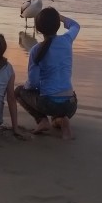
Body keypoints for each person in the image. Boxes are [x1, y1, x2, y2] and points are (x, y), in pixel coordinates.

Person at [15, 7, 79, 140]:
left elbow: (33, 83)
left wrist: (29, 88)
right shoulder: (67, 40)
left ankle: (42, 121)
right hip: (71, 104)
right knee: (58, 103)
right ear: (57, 25)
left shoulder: (36, 50)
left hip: (49, 103)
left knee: (19, 91)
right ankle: (63, 121)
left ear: (38, 29)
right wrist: (60, 17)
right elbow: (75, 25)